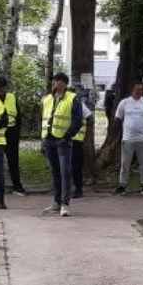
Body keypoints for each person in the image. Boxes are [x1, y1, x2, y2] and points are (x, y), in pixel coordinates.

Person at [41, 73, 82, 216]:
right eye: (54, 81)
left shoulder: (72, 98)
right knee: (55, 172)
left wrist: (67, 135)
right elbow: (43, 119)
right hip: (48, 139)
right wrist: (43, 140)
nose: (54, 84)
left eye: (57, 81)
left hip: (63, 140)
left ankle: (65, 204)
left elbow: (78, 120)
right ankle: (56, 202)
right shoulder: (47, 99)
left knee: (65, 172)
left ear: (64, 84)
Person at [115, 79, 143, 197]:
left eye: (141, 89)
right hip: (127, 138)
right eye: (136, 89)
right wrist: (120, 135)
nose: (139, 91)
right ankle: (122, 186)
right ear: (132, 90)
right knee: (125, 163)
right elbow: (118, 118)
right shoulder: (124, 102)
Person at [0, 76, 28, 195]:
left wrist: (17, 133)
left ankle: (17, 186)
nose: (1, 89)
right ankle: (0, 186)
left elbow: (18, 117)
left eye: (2, 87)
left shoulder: (11, 97)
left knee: (13, 160)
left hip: (12, 133)